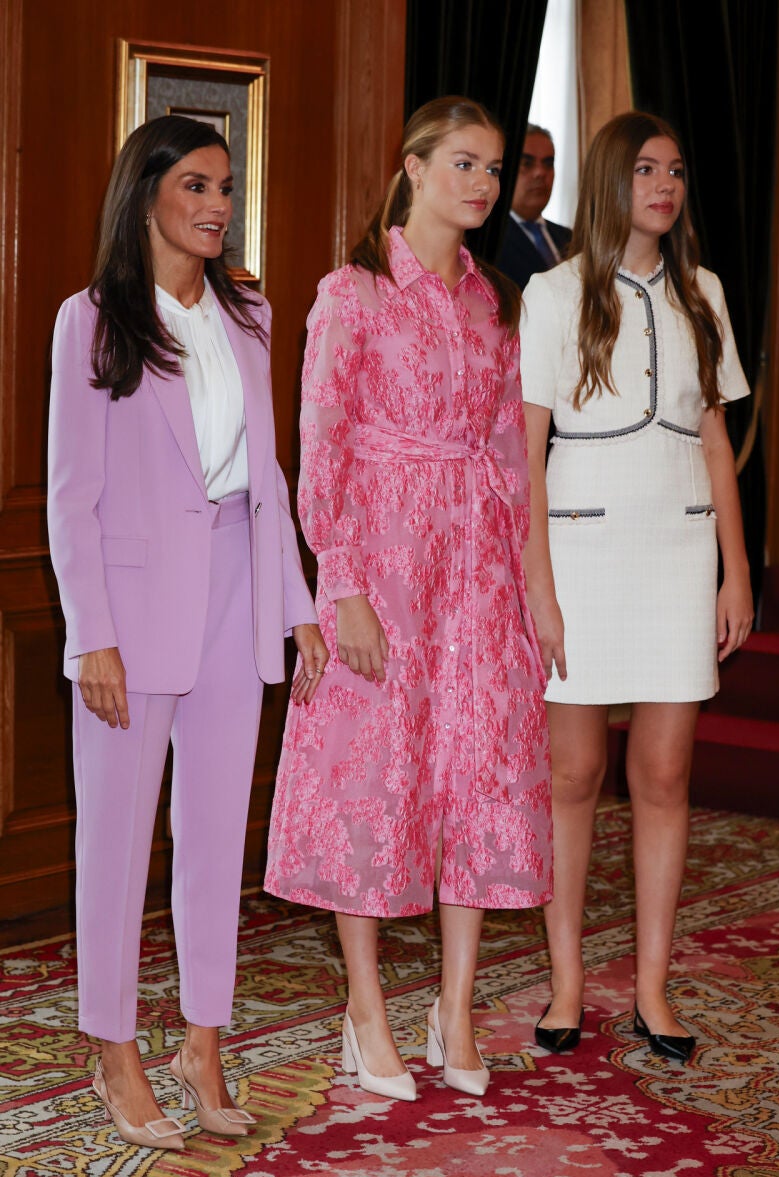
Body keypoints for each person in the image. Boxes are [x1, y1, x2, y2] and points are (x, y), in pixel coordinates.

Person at [47, 115, 327, 1149]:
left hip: (233, 595)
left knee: (213, 838)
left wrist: (293, 605)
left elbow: (272, 476)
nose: (218, 205)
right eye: (198, 186)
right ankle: (112, 1048)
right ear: (149, 194)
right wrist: (92, 638)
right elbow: (72, 499)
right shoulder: (94, 321)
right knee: (114, 843)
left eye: (225, 187)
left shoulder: (247, 312)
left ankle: (201, 1040)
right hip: (132, 606)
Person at [264, 96, 553, 1101]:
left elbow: (513, 461)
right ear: (414, 167)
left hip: (472, 572)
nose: (478, 183)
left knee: (469, 777)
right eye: (461, 164)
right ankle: (364, 1008)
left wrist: (524, 591)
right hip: (382, 564)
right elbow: (320, 445)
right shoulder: (351, 292)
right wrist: (337, 581)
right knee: (370, 779)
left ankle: (456, 1006)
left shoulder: (492, 303)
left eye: (490, 168)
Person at [520, 111, 753, 1062]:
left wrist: (736, 570)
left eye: (677, 170)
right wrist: (537, 581)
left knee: (663, 774)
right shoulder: (551, 291)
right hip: (579, 551)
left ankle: (654, 989)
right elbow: (524, 455)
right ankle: (568, 980)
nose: (665, 185)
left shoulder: (704, 291)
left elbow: (714, 443)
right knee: (571, 776)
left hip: (678, 551)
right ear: (613, 179)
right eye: (647, 169)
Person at [496, 124, 572, 290]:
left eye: (548, 163)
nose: (540, 173)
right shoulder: (491, 242)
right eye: (527, 163)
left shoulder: (570, 238)